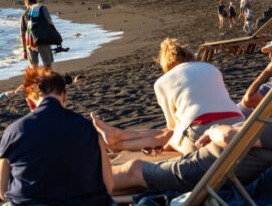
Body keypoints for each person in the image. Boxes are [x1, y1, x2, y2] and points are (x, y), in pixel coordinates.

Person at [111, 82, 272, 194]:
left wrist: (212, 131)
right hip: (217, 167)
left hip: (210, 173)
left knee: (135, 169)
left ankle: (83, 187)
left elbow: (231, 137)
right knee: (143, 168)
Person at [0, 68, 121, 206]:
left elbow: (2, 190)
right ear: (65, 97)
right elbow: (108, 185)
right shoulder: (86, 128)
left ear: (30, 103)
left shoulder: (14, 131)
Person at [91, 39, 243, 155]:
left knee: (168, 134)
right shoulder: (211, 68)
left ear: (165, 63)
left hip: (199, 134)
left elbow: (172, 128)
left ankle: (119, 144)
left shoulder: (162, 82)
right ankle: (118, 135)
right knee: (172, 131)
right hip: (238, 126)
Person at [21, 0, 58, 68]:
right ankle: (47, 78)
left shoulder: (24, 15)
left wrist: (24, 50)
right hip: (43, 39)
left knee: (34, 66)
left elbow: (22, 35)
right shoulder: (43, 9)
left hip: (30, 42)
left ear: (27, 4)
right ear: (36, 2)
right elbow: (50, 23)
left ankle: (37, 78)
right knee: (47, 64)